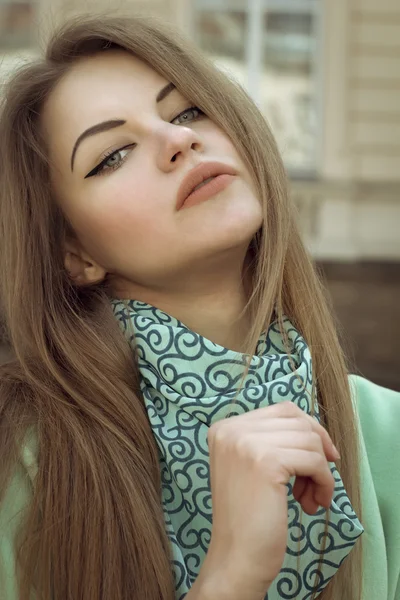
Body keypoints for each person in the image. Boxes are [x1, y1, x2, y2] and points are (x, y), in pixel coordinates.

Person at [0, 12, 398, 600]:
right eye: (112, 155)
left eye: (187, 112)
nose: (179, 140)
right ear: (73, 252)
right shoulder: (23, 465)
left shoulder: (385, 437)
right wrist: (231, 575)